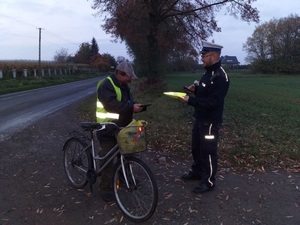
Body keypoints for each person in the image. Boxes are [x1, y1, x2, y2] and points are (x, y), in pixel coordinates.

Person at [180, 40, 230, 193]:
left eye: (204, 55)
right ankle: (197, 172)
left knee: (208, 151)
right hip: (200, 119)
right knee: (196, 148)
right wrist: (194, 91)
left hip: (210, 122)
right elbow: (204, 93)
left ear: (213, 56)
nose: (201, 58)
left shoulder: (220, 77)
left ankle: (208, 181)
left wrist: (190, 100)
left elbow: (213, 102)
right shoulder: (207, 73)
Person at [96, 61, 144, 203]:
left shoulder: (124, 85)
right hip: (107, 128)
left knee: (127, 154)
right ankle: (106, 189)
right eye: (128, 77)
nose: (130, 80)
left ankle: (124, 178)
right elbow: (112, 106)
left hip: (122, 127)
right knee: (108, 158)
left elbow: (128, 102)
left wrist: (136, 105)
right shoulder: (106, 85)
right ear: (119, 74)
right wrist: (131, 107)